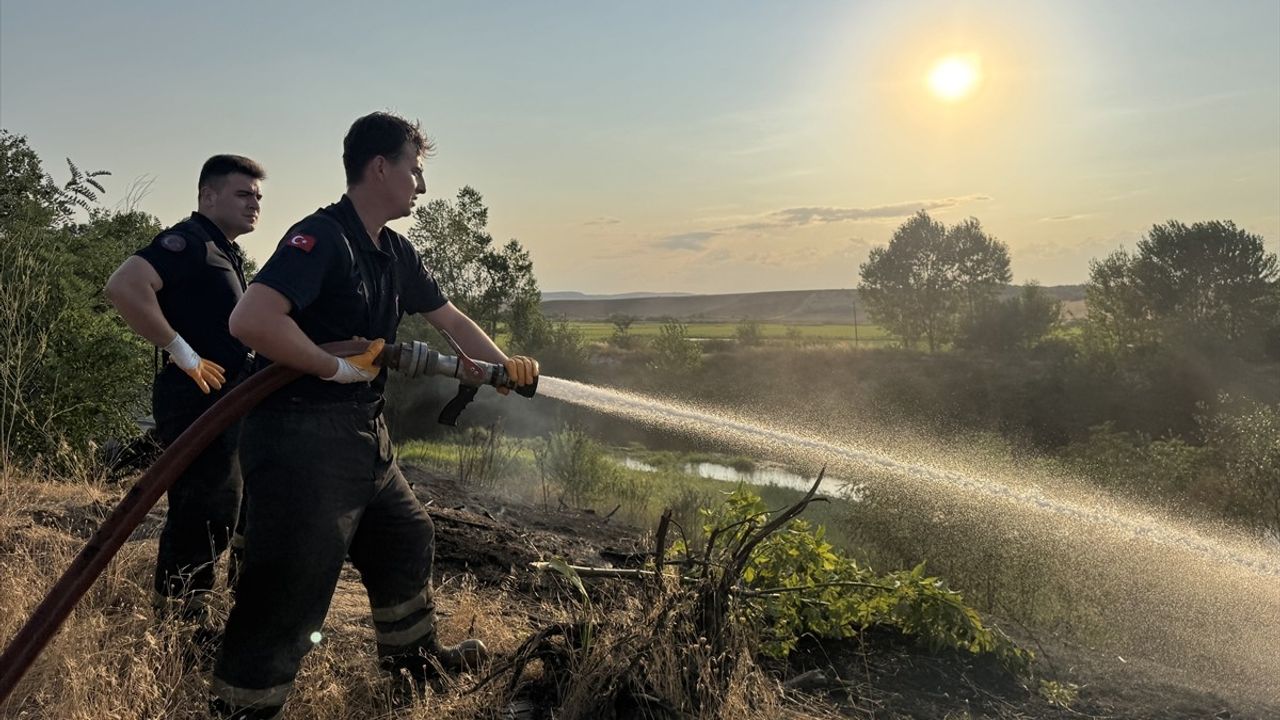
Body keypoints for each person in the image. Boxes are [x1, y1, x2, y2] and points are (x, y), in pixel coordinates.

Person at [211, 112, 538, 719]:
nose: (421, 185)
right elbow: (251, 321)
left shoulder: (393, 252)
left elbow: (450, 319)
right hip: (300, 434)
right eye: (414, 170)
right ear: (380, 167)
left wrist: (504, 369)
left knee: (404, 535)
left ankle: (413, 667)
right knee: (292, 586)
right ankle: (242, 706)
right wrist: (328, 366)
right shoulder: (322, 238)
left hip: (360, 430)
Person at [104, 155, 265, 623]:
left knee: (224, 505)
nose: (254, 203)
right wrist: (180, 349)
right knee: (202, 509)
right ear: (208, 196)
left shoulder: (223, 249)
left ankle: (207, 612)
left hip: (225, 398)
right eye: (242, 194)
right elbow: (124, 285)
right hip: (195, 398)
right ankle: (177, 625)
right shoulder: (189, 242)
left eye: (257, 196)